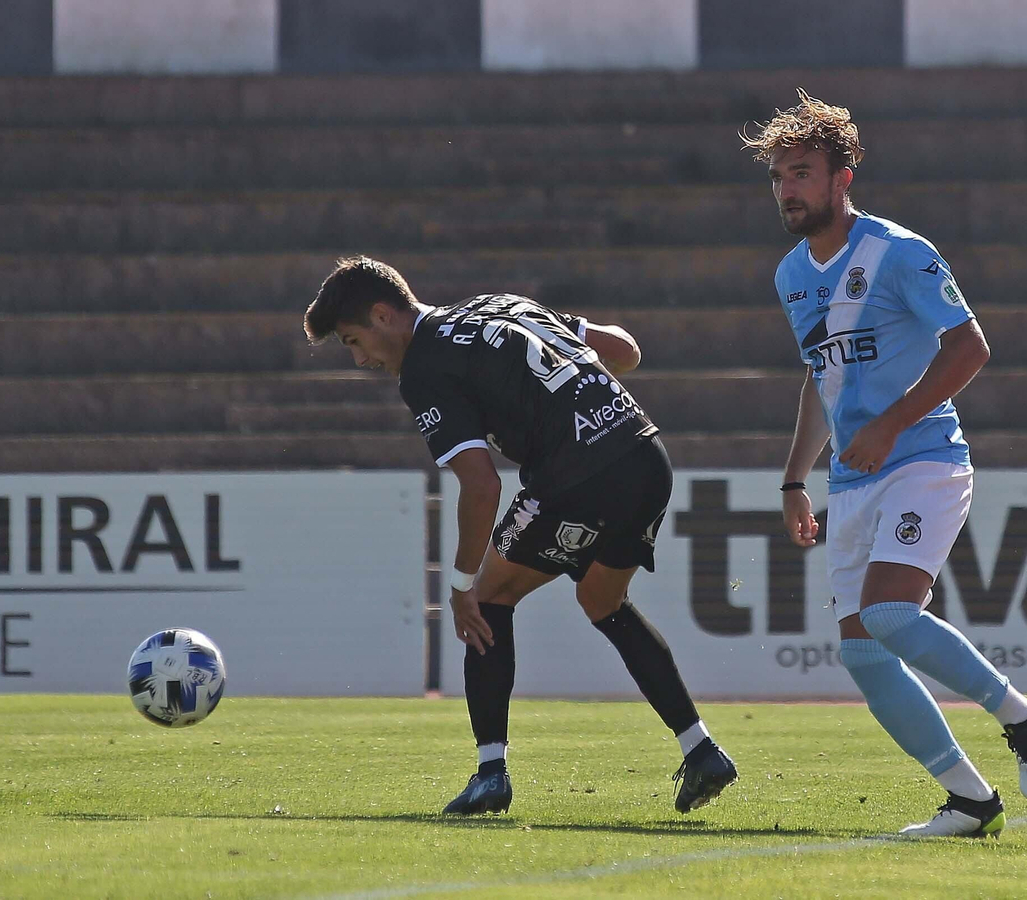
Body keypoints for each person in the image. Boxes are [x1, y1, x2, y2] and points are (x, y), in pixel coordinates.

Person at [302, 256, 737, 815]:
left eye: (353, 341)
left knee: (486, 599)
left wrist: (459, 584)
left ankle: (490, 774)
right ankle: (701, 751)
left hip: (578, 474)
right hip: (645, 454)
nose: (361, 359)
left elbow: (481, 486)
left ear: (384, 316)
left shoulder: (424, 367)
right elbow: (626, 351)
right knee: (602, 600)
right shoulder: (500, 304)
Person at [742, 91, 1027, 838]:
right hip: (852, 479)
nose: (787, 189)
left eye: (801, 173)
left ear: (842, 178)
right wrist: (794, 479)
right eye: (779, 177)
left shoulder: (898, 251)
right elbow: (821, 378)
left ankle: (1025, 717)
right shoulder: (791, 274)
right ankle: (971, 800)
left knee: (890, 615)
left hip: (924, 460)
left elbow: (971, 347)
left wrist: (889, 426)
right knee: (863, 654)